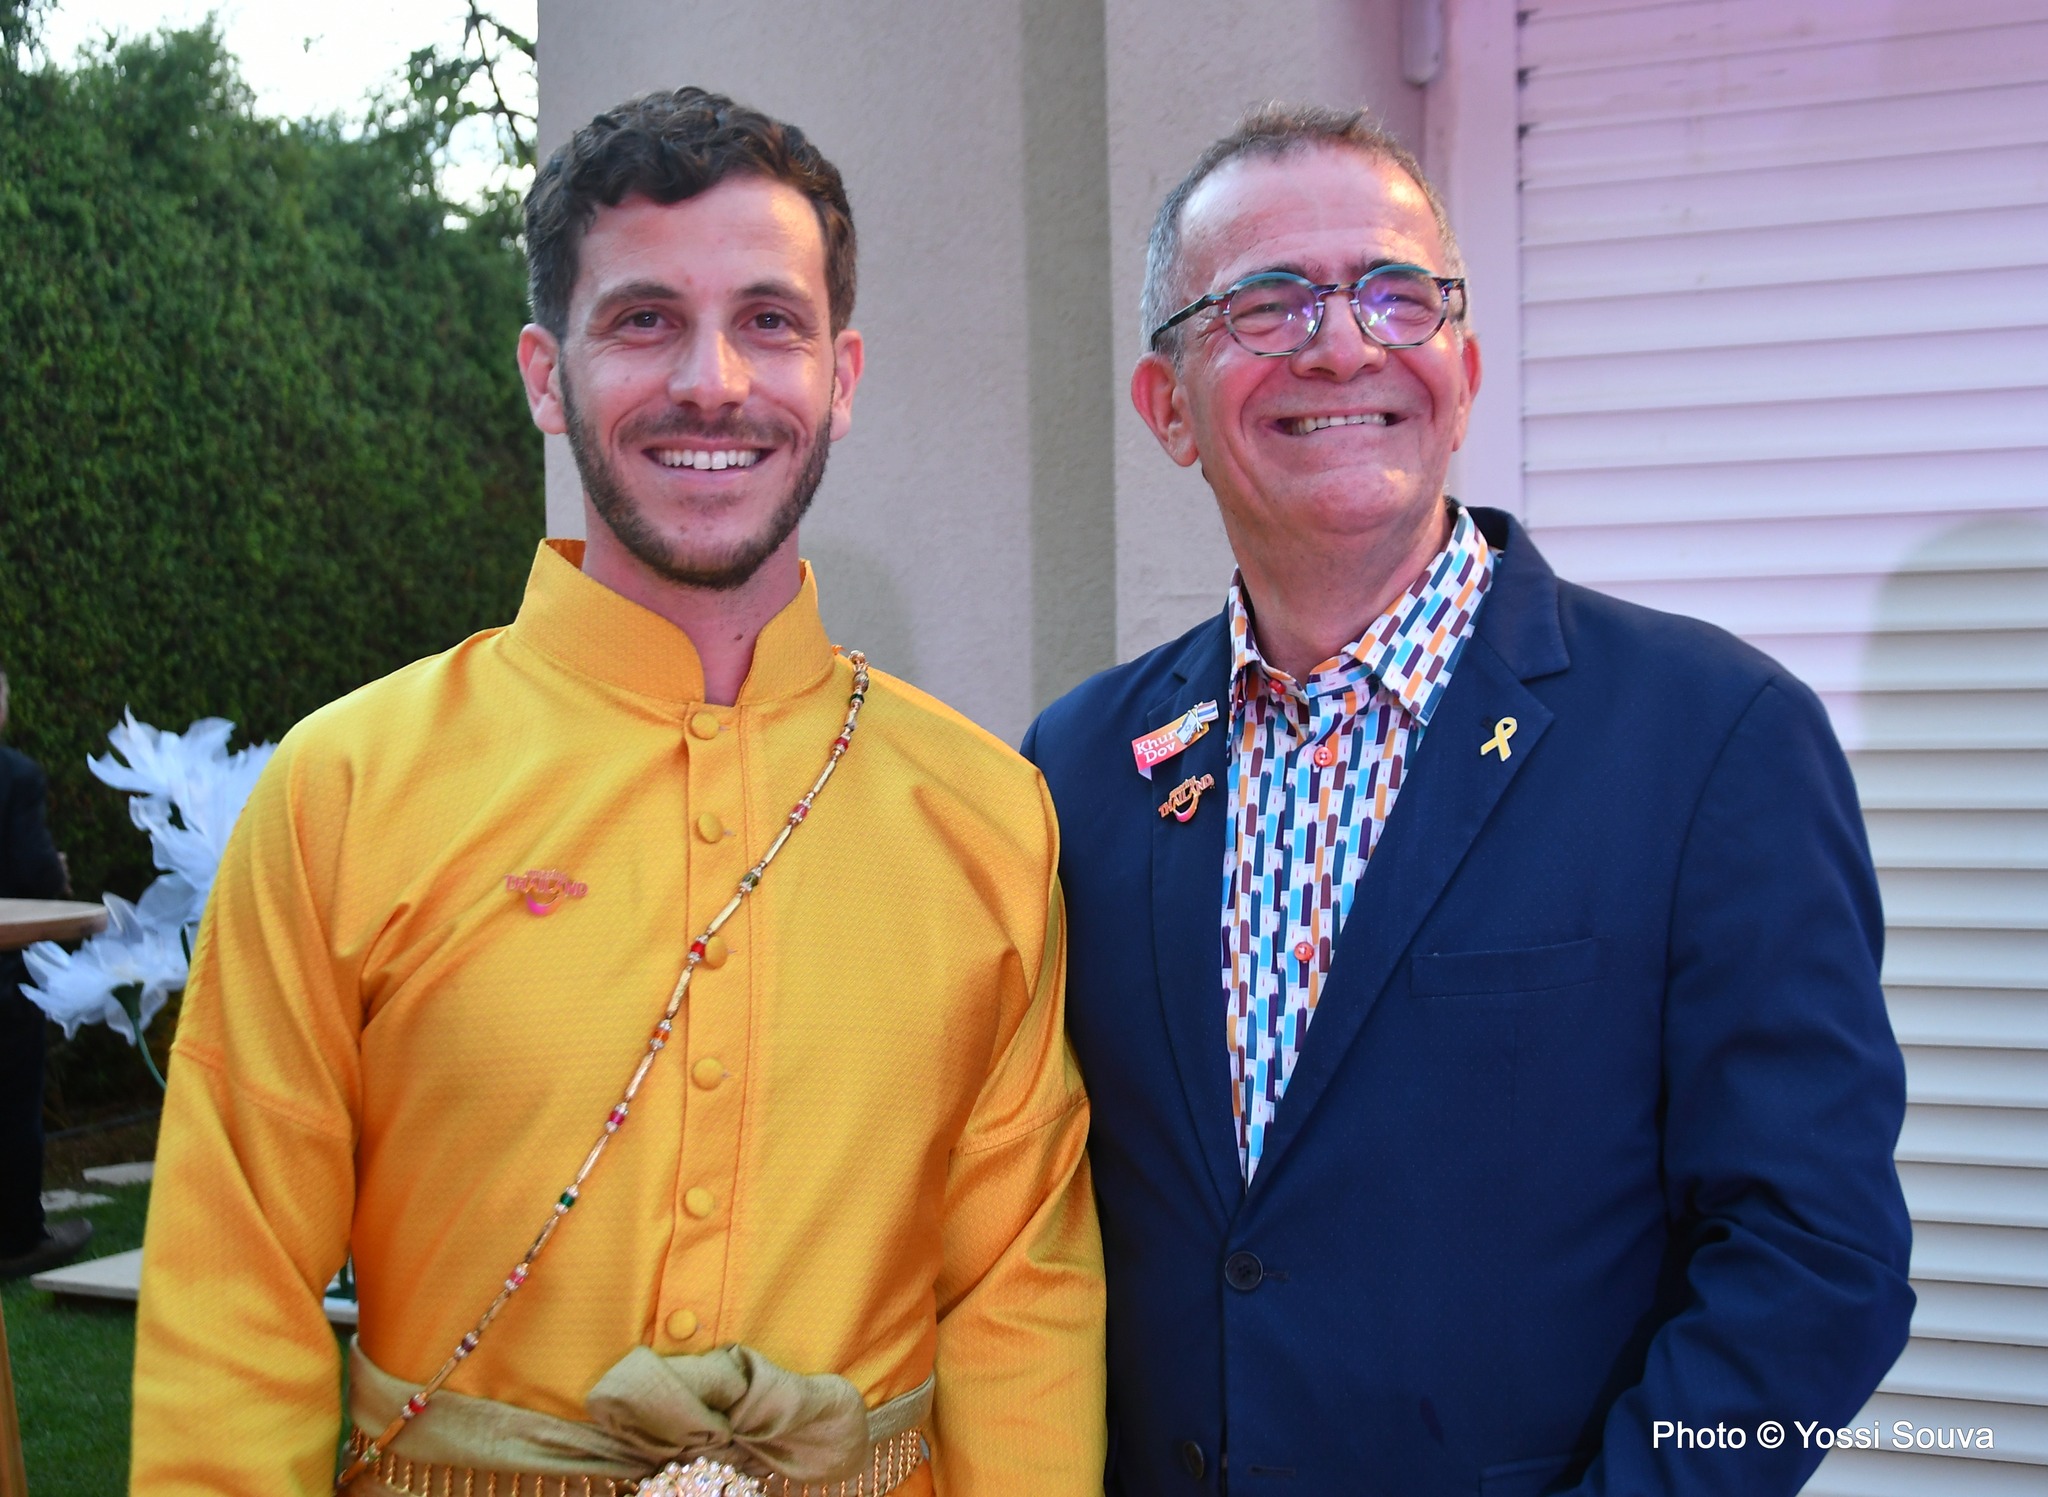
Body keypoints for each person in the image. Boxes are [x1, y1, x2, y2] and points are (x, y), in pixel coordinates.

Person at [132, 88, 1104, 1496]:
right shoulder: (344, 787)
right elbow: (235, 1295)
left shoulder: (985, 811)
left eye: (770, 320)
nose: (712, 380)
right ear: (547, 373)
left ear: (843, 374)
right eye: (644, 318)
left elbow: (1026, 1299)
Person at [1024, 104, 1913, 1495]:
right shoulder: (1079, 768)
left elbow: (1819, 1257)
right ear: (1168, 407)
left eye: (1397, 294)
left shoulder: (1714, 740)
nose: (1343, 341)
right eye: (1268, 302)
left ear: (1462, 365)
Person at [0, 664, 91, 1280]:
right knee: (11, 1103)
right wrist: (56, 872)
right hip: (5, 974)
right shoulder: (14, 776)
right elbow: (33, 876)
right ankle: (16, 1239)